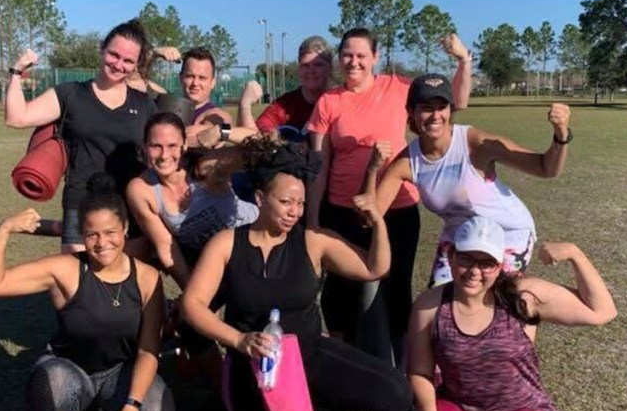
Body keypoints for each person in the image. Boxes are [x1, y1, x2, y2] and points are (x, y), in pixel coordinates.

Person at [181, 142, 415, 411]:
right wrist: (239, 340)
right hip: (255, 373)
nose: (295, 212)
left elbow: (375, 268)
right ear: (260, 198)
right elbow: (192, 305)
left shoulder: (312, 241)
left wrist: (379, 222)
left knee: (397, 392)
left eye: (301, 204)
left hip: (308, 355)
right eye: (285, 202)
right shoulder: (227, 243)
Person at [403, 216, 617, 411]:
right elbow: (420, 370)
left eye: (486, 263)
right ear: (451, 255)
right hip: (462, 405)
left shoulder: (522, 296)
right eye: (466, 259)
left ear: (500, 265)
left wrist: (574, 254)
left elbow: (603, 311)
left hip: (521, 408)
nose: (474, 271)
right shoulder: (431, 305)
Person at [0, 173, 174, 411]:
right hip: (71, 369)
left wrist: (132, 406)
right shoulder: (65, 269)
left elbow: (149, 349)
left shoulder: (148, 278)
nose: (102, 243)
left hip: (118, 372)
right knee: (49, 386)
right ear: (82, 234)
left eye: (110, 232)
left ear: (125, 230)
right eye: (92, 234)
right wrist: (5, 229)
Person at [306, 28, 472, 364]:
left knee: (396, 289)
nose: (354, 62)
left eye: (361, 55)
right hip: (343, 210)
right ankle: (345, 363)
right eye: (347, 55)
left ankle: (402, 366)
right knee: (341, 291)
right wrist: (313, 219)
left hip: (396, 209)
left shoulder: (398, 89)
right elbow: (320, 166)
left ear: (375, 58)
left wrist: (463, 60)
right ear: (340, 59)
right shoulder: (329, 101)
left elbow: (459, 101)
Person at [363, 73, 572, 284]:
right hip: (459, 235)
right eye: (426, 107)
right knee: (438, 304)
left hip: (508, 232)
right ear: (411, 111)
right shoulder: (407, 162)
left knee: (499, 302)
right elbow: (370, 217)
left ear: (450, 110)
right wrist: (372, 169)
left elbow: (546, 168)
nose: (435, 115)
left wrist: (561, 135)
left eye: (442, 106)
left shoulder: (475, 143)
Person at [125, 111, 259, 411]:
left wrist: (223, 133)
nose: (164, 154)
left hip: (249, 246)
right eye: (155, 146)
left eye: (172, 145)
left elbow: (265, 148)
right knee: (190, 321)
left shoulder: (206, 166)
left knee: (248, 314)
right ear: (144, 148)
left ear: (184, 145)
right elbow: (166, 247)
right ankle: (225, 396)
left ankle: (261, 391)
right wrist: (194, 298)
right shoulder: (140, 189)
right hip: (209, 264)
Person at [4, 20, 156, 252]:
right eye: (114, 54)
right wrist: (17, 71)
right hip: (81, 203)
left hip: (129, 206)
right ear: (101, 48)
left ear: (136, 65)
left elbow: (170, 141)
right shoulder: (70, 94)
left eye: (128, 61)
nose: (118, 65)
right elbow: (17, 117)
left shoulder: (143, 104)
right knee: (77, 283)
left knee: (127, 283)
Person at [236, 35, 334, 141]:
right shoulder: (283, 105)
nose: (311, 71)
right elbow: (255, 139)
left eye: (318, 65)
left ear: (330, 67)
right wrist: (244, 105)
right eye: (305, 65)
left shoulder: (340, 101)